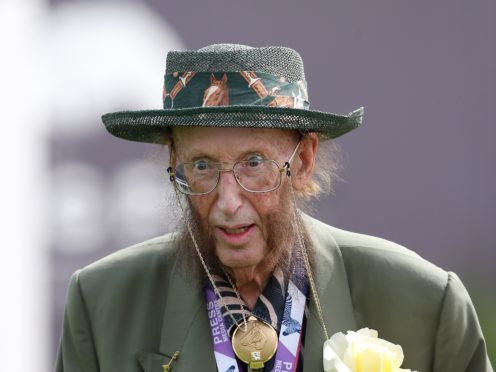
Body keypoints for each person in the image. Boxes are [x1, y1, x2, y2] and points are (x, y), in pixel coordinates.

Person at [55, 43, 493, 372]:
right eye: (202, 165)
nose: (228, 201)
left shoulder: (425, 303)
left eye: (254, 163)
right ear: (175, 166)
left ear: (302, 163)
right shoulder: (100, 305)